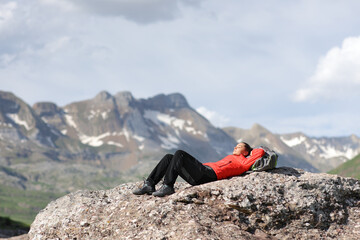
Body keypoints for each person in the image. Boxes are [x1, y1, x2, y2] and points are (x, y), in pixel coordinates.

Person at [133, 142, 265, 197]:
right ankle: (150, 184)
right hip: (202, 172)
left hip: (209, 175)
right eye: (236, 145)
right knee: (169, 157)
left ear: (247, 151)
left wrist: (253, 150)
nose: (236, 147)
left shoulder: (245, 161)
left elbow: (260, 152)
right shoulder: (232, 156)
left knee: (180, 153)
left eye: (240, 146)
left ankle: (168, 185)